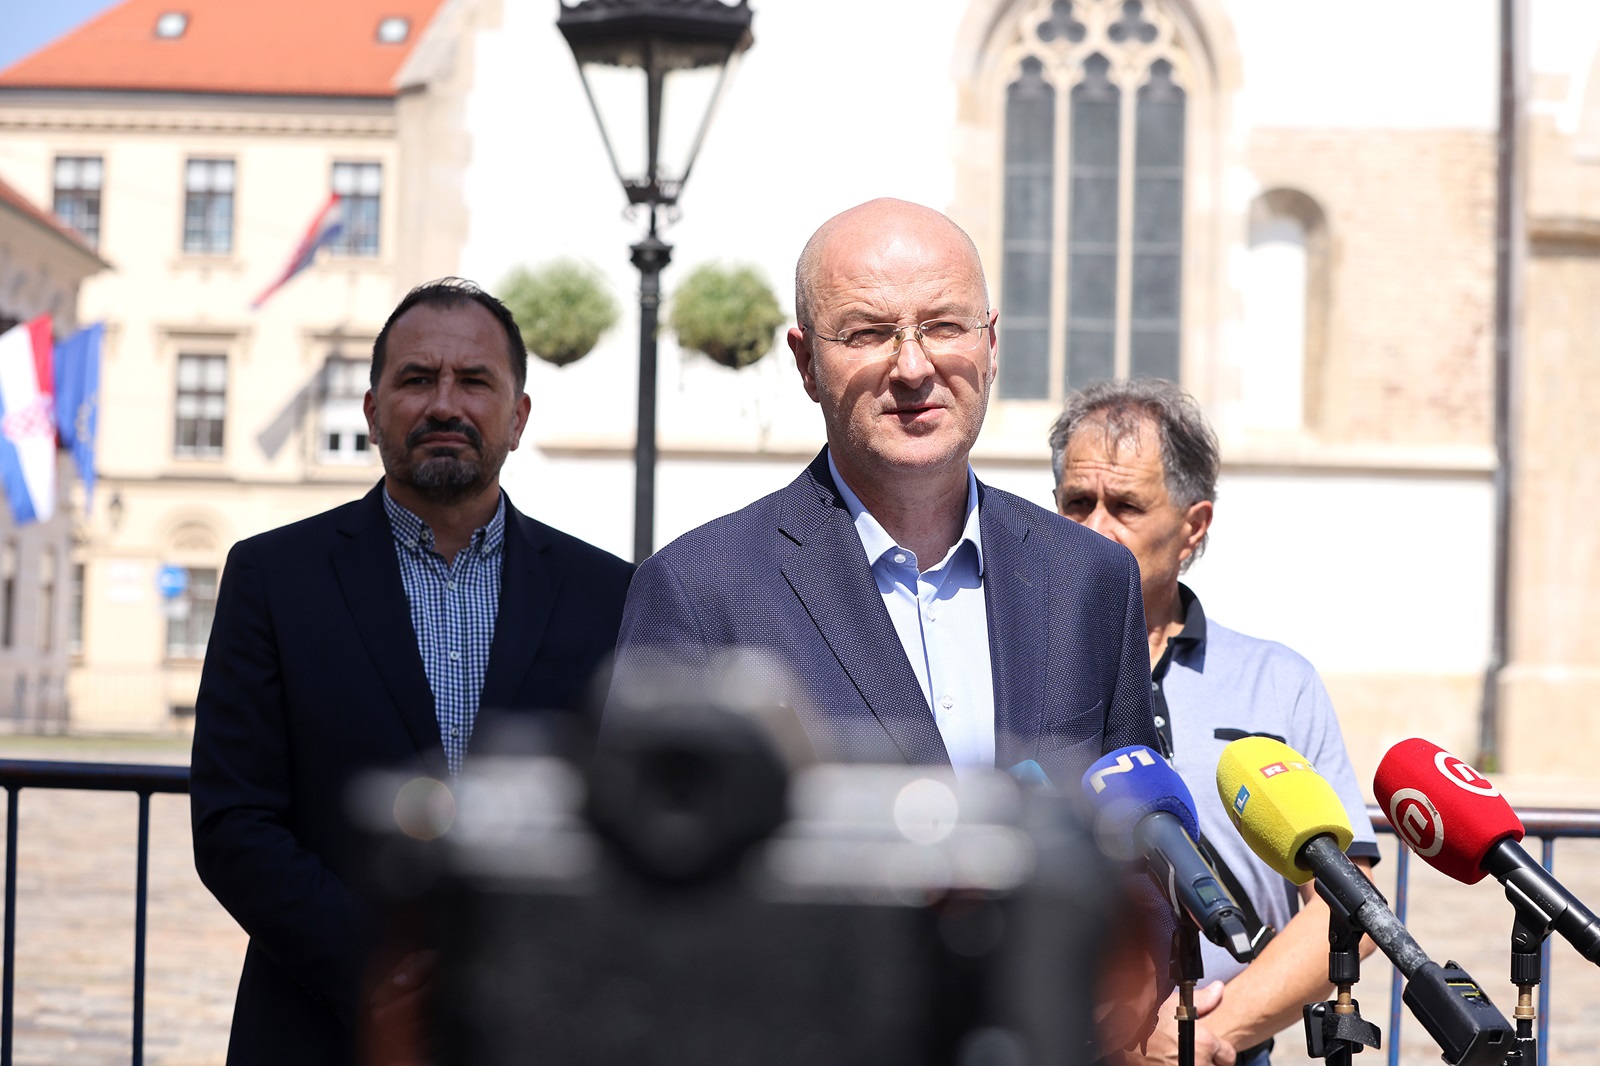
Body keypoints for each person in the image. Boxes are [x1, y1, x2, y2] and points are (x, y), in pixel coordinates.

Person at [608, 199, 1165, 1055]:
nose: (913, 368)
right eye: (867, 333)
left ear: (988, 341)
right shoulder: (699, 592)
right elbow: (650, 903)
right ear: (804, 362)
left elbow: (1135, 849)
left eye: (943, 326)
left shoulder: (1089, 579)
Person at [190, 278, 633, 1066]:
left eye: (474, 382)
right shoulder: (272, 578)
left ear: (518, 416)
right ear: (370, 410)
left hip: (544, 1026)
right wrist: (376, 966)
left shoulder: (613, 595)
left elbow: (626, 821)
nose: (444, 405)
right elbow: (234, 822)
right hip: (321, 1024)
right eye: (417, 379)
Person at [1050, 378, 1379, 1066]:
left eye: (1126, 506)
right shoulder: (1010, 671)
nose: (1093, 528)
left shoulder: (1277, 682)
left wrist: (1212, 1035)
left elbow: (1348, 904)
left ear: (1193, 527)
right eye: (1076, 502)